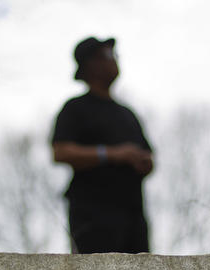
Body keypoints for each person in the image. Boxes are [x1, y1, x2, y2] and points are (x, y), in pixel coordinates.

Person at [51, 37, 154, 254]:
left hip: (133, 213)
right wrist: (112, 154)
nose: (114, 61)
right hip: (92, 215)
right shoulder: (75, 108)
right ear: (89, 65)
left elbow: (149, 156)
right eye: (107, 55)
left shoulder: (127, 114)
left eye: (115, 55)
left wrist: (143, 162)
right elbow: (60, 151)